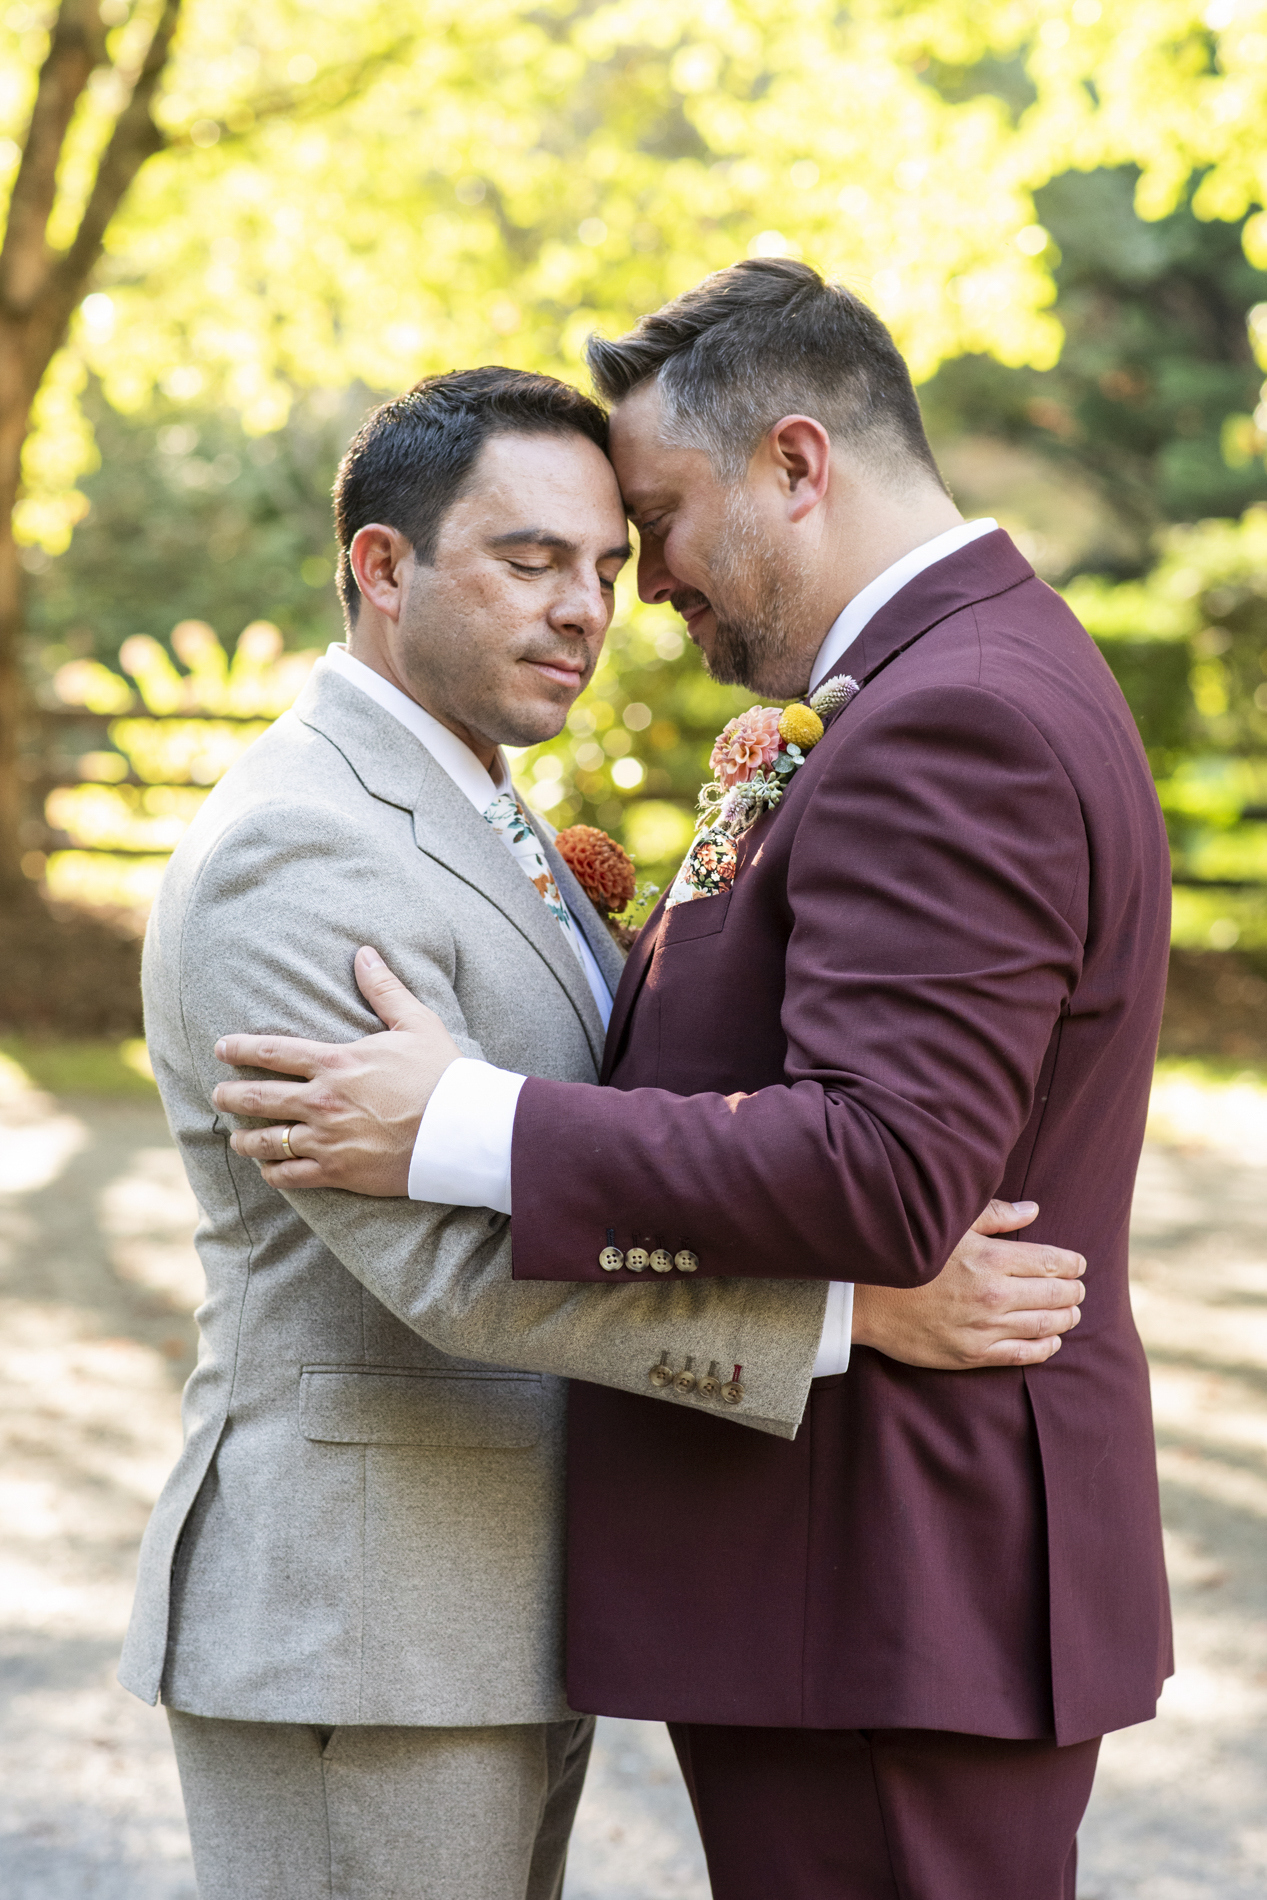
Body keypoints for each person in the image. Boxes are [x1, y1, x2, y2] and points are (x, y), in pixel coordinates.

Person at [219, 262, 1171, 1900]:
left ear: (797, 464)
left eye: (651, 524)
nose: (641, 587)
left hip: (892, 1575)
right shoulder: (954, 680)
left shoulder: (955, 719)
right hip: (864, 1592)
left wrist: (462, 1121)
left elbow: (885, 1167)